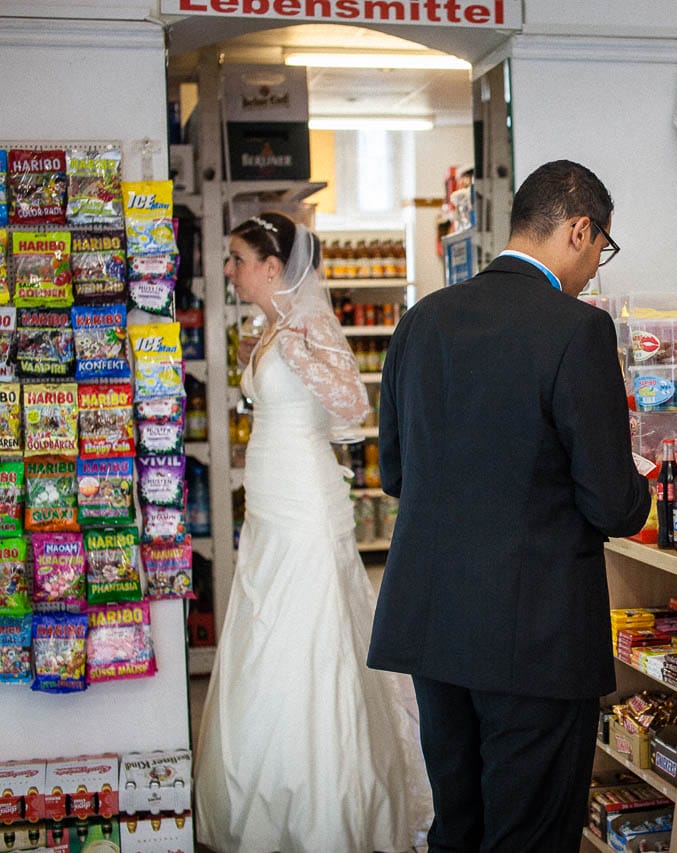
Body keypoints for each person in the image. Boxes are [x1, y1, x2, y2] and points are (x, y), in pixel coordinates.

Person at [370, 160, 650, 851]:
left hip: (434, 627)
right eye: (601, 249)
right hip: (536, 636)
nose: (594, 268)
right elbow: (614, 503)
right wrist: (643, 473)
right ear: (580, 230)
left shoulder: (421, 320)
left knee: (460, 823)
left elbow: (395, 473)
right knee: (531, 833)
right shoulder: (575, 330)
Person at [195, 212, 431, 852]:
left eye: (238, 258)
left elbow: (355, 408)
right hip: (270, 498)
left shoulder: (308, 325)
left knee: (311, 627)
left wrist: (297, 355)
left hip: (302, 494)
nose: (229, 270)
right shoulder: (269, 327)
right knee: (268, 618)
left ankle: (322, 798)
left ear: (273, 267)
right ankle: (266, 780)